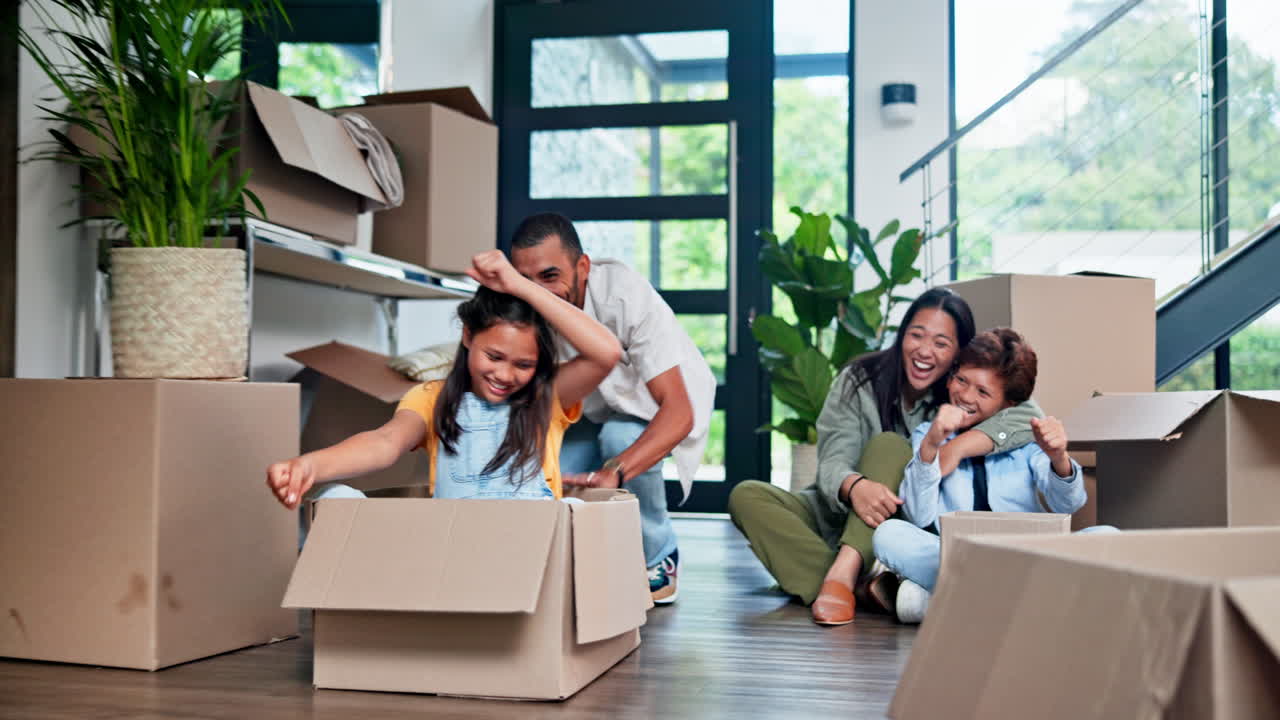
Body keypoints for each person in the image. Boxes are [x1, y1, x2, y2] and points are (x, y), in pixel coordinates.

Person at [728, 289, 1043, 626]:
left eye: (941, 342)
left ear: (958, 354)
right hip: (846, 509)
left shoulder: (961, 392)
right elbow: (833, 460)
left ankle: (841, 579)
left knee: (891, 446)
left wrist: (956, 448)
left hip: (903, 527)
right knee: (746, 496)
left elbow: (1028, 414)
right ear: (901, 335)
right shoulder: (859, 379)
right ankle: (867, 589)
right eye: (916, 335)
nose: (924, 350)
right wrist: (854, 486)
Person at [265, 250, 621, 509]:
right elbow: (385, 442)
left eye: (523, 364)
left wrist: (521, 286)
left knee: (573, 512)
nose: (504, 374)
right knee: (337, 498)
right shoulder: (432, 398)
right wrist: (310, 465)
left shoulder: (546, 397)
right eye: (494, 357)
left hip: (530, 553)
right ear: (468, 337)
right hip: (453, 550)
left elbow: (606, 353)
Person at [509, 213, 716, 605]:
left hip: (649, 409)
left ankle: (658, 554)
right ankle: (578, 564)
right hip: (584, 412)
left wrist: (614, 472)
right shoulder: (521, 306)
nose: (538, 294)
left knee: (619, 437)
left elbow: (678, 412)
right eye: (526, 281)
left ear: (582, 266)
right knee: (542, 470)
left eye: (550, 277)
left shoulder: (624, 295)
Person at [873, 328, 1115, 623]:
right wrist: (932, 445)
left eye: (983, 392)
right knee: (888, 534)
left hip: (1027, 558)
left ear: (1007, 404)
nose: (964, 395)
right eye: (961, 380)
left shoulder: (1027, 439)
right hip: (959, 557)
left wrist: (1058, 457)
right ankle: (1029, 607)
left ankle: (946, 604)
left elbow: (1067, 504)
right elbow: (919, 515)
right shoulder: (928, 434)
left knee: (1108, 538)